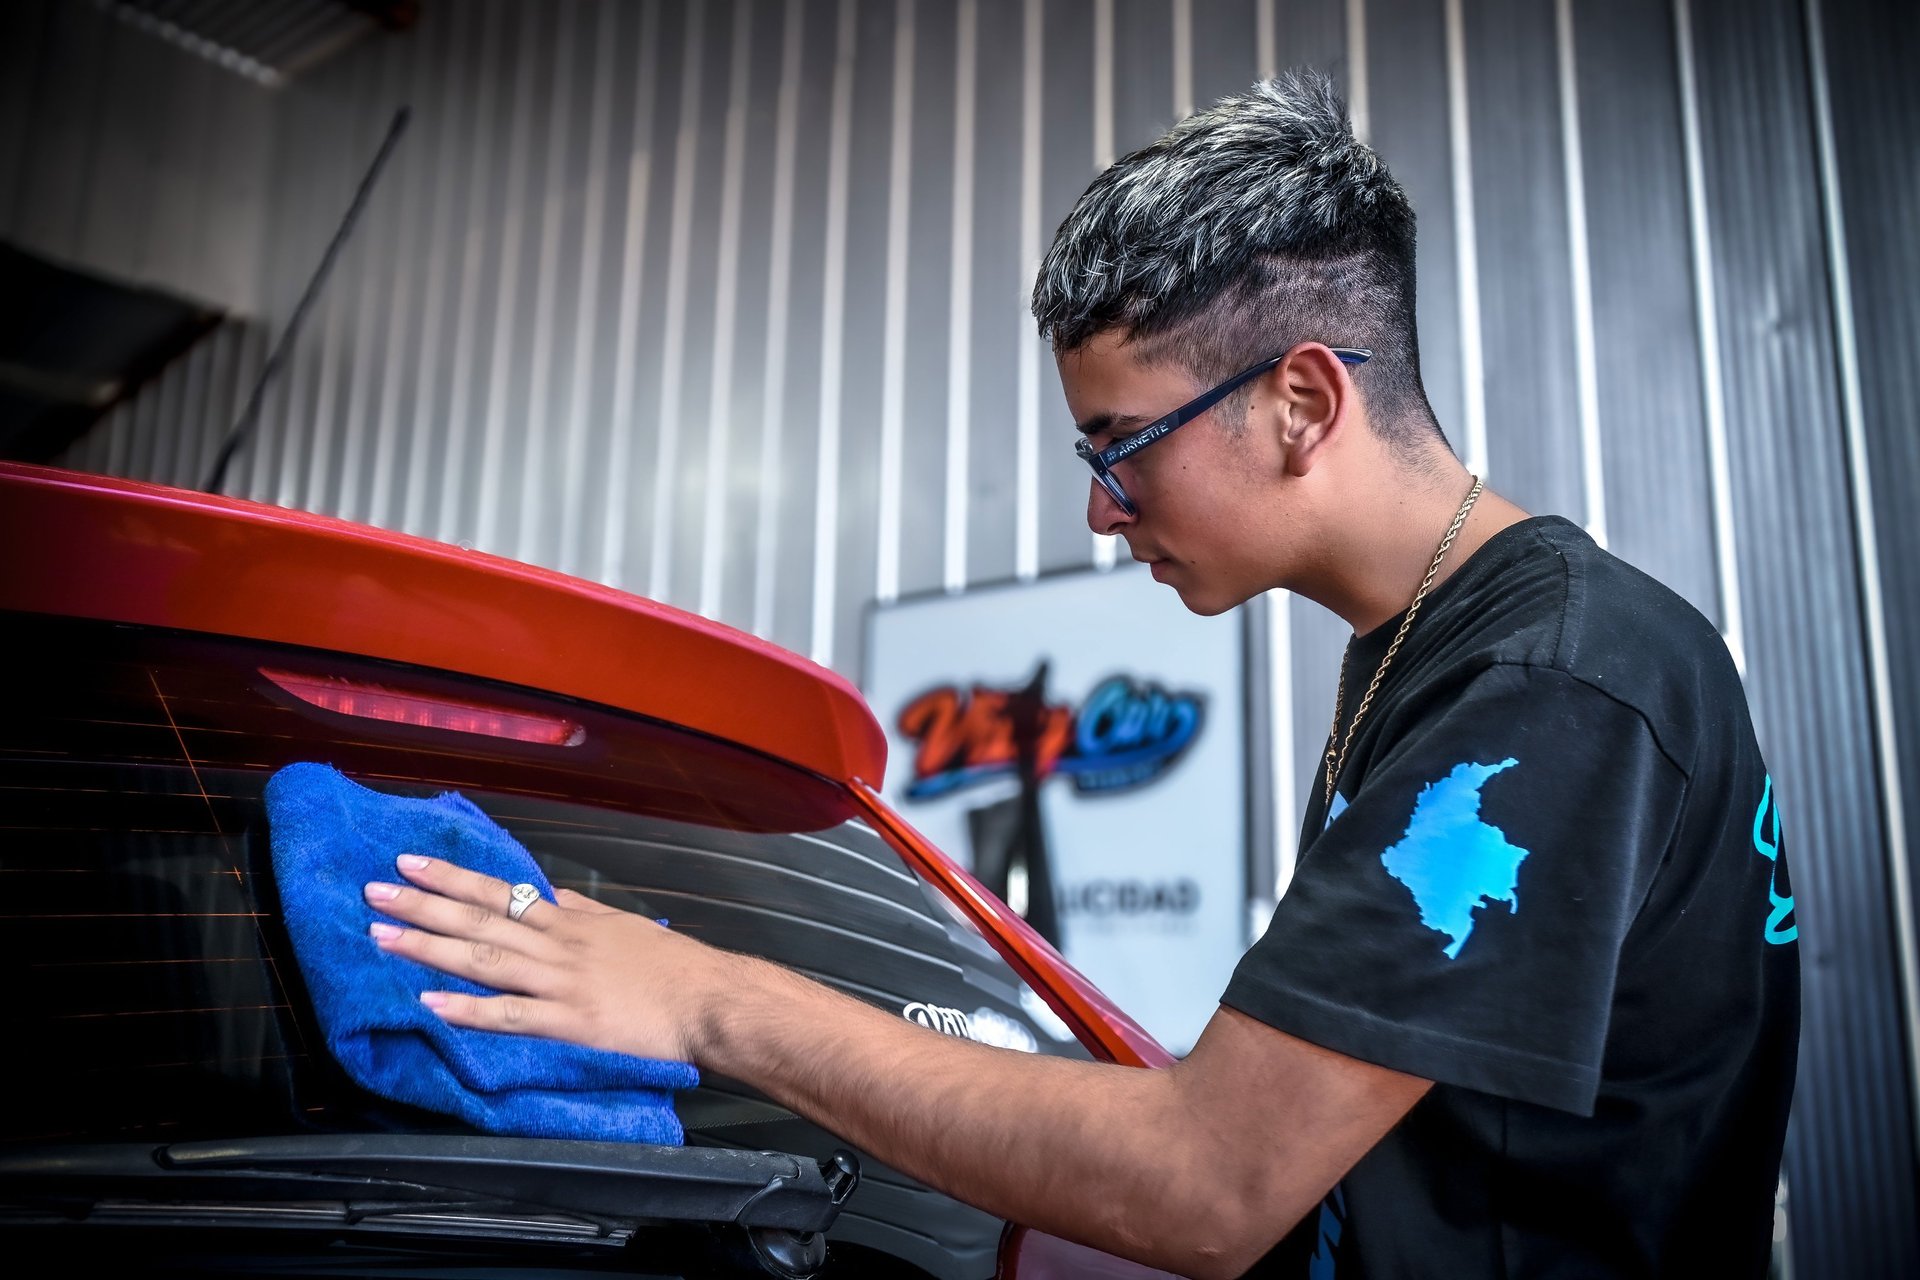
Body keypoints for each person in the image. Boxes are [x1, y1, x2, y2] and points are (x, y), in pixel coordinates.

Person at [359, 72, 1799, 1278]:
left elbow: (1210, 1185)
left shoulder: (1550, 687)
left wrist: (704, 999)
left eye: (1119, 447)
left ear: (1303, 402)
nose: (1103, 514)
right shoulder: (1456, 653)